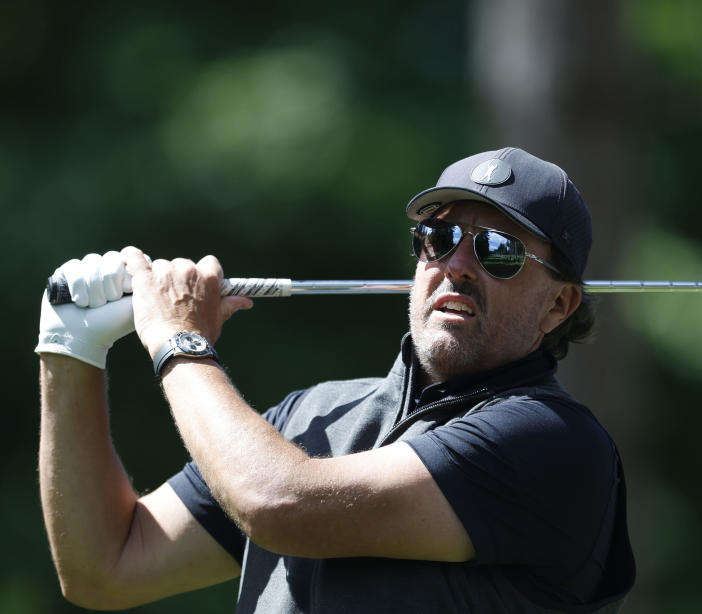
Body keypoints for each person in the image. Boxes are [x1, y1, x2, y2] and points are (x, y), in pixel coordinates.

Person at [37, 147, 636, 613]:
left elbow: (278, 504)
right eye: (441, 237)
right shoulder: (313, 418)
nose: (456, 266)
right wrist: (71, 351)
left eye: (497, 250)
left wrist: (177, 341)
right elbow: (104, 567)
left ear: (559, 305)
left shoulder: (552, 443)